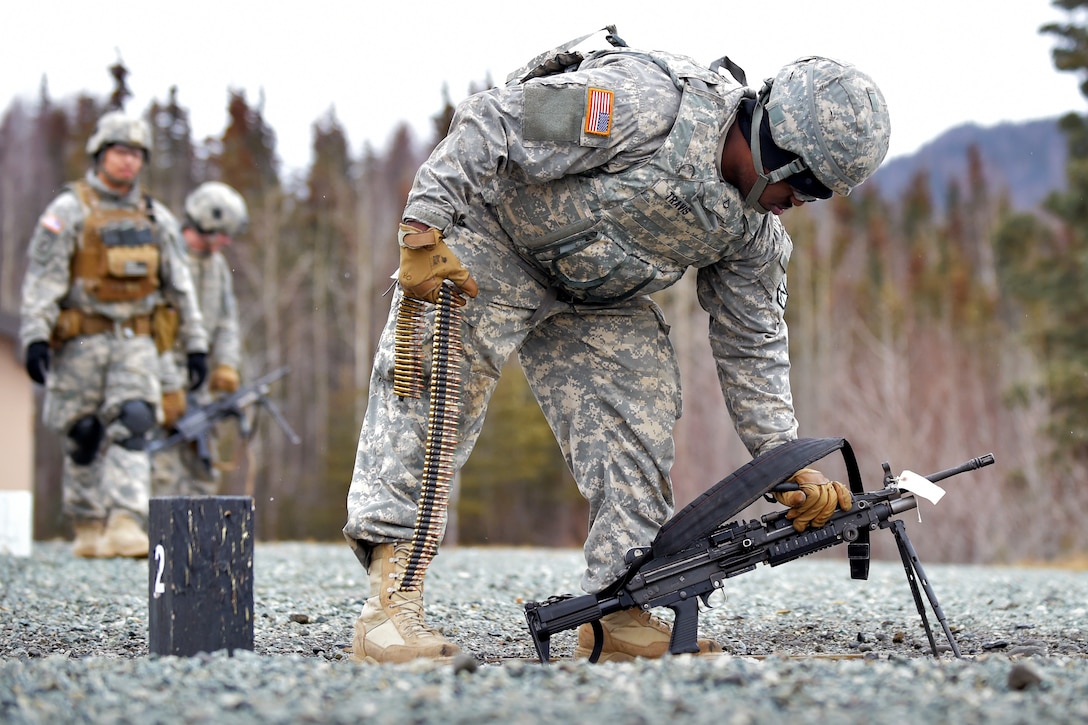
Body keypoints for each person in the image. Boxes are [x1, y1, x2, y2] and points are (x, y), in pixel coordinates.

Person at [343, 33, 890, 664]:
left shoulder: (752, 231)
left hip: (598, 297)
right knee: (433, 398)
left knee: (639, 425)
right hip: (495, 243)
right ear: (781, 151)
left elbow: (752, 343)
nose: (802, 205)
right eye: (811, 187)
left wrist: (786, 462)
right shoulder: (641, 106)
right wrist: (422, 228)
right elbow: (496, 119)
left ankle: (616, 612)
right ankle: (388, 611)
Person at [19, 110, 209, 558]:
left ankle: (125, 520)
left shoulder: (155, 218)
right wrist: (35, 336)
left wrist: (196, 344)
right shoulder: (68, 211)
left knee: (137, 418)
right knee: (82, 432)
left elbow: (180, 286)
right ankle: (87, 523)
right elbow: (43, 280)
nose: (128, 162)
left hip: (135, 341)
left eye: (136, 154)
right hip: (81, 341)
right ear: (101, 155)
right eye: (120, 152)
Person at [152, 181, 248, 497]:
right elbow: (152, 326)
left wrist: (226, 365)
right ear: (205, 225)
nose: (226, 242)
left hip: (200, 379)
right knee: (161, 465)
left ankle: (198, 539)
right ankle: (155, 539)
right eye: (222, 234)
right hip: (162, 375)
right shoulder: (165, 259)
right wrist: (167, 383)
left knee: (203, 469)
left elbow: (227, 321)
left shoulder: (217, 266)